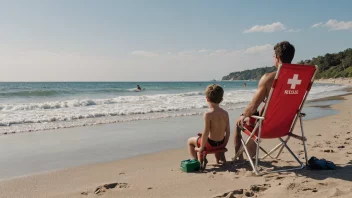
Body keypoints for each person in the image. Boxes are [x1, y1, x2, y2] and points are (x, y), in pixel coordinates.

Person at [234, 41, 296, 160]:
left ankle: (243, 159)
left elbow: (252, 107)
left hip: (266, 127)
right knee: (254, 120)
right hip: (286, 125)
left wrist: (243, 115)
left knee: (240, 122)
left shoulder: (268, 78)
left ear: (277, 58)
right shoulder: (299, 77)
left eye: (274, 56)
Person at [187, 84, 230, 164]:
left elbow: (206, 132)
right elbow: (227, 132)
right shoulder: (225, 113)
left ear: (207, 99)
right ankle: (219, 157)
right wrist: (224, 144)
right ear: (221, 99)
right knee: (206, 137)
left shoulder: (208, 114)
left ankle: (195, 161)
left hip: (209, 145)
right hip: (221, 144)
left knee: (190, 141)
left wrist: (201, 148)